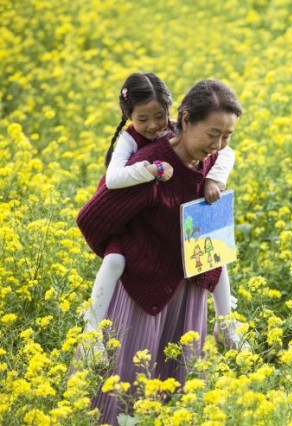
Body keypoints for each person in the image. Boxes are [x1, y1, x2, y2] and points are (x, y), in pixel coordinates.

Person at [77, 79, 246, 424]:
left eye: (227, 136)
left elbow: (212, 236)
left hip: (190, 293)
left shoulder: (210, 164)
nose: (219, 144)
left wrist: (217, 176)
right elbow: (93, 217)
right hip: (144, 294)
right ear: (185, 120)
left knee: (178, 400)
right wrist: (124, 250)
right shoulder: (150, 164)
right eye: (212, 134)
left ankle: (227, 324)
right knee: (126, 397)